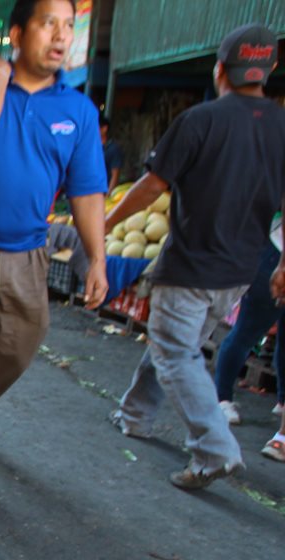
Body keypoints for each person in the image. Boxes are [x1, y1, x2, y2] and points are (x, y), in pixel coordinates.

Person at [0, 0, 109, 486]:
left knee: (21, 341)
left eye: (68, 25)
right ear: (17, 33)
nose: (61, 35)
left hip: (29, 250)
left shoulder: (78, 110)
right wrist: (0, 73)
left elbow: (87, 191)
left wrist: (97, 259)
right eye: (48, 23)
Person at [105, 23, 285, 490]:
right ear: (268, 70)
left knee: (175, 351)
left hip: (190, 266)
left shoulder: (201, 120)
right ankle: (134, 414)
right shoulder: (281, 126)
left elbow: (152, 186)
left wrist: (100, 225)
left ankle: (214, 449)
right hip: (240, 272)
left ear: (220, 69)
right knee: (174, 345)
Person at [213, 238, 283, 438]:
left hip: (275, 257)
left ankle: (282, 401)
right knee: (247, 331)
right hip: (276, 256)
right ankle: (221, 398)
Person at [99, 114, 123, 194]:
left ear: (104, 129)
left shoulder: (113, 149)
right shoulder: (90, 147)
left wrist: (108, 196)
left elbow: (115, 176)